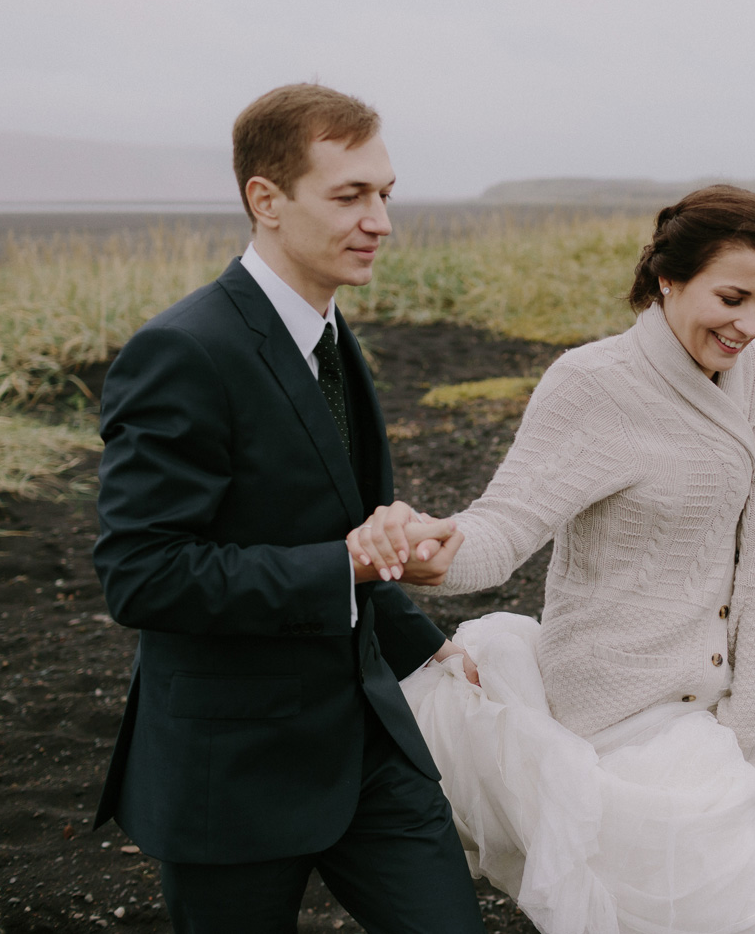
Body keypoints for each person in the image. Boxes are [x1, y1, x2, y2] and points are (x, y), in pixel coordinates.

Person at [352, 185, 755, 934]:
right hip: (613, 700)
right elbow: (504, 523)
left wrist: (746, 734)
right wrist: (438, 549)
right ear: (667, 277)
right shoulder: (593, 384)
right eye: (732, 296)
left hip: (712, 700)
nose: (750, 324)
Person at [92, 83, 485, 934]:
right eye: (350, 196)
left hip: (368, 745)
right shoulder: (183, 351)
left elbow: (328, 521)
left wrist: (434, 644)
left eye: (385, 194)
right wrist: (345, 561)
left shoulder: (334, 337)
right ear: (264, 201)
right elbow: (142, 574)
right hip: (230, 773)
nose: (380, 219)